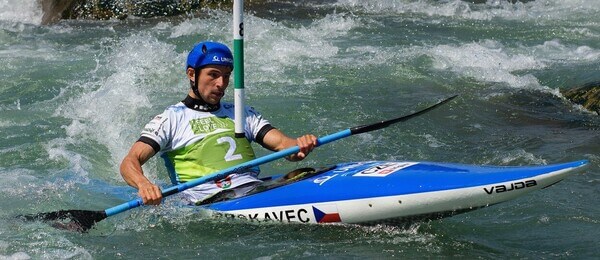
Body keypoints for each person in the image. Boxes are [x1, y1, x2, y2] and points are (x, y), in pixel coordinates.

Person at [119, 41, 317, 206]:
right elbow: (129, 162)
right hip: (209, 200)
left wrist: (299, 146)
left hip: (255, 190)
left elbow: (284, 145)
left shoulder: (241, 112)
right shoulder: (170, 119)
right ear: (191, 74)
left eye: (226, 76)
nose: (221, 83)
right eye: (213, 75)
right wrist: (143, 184)